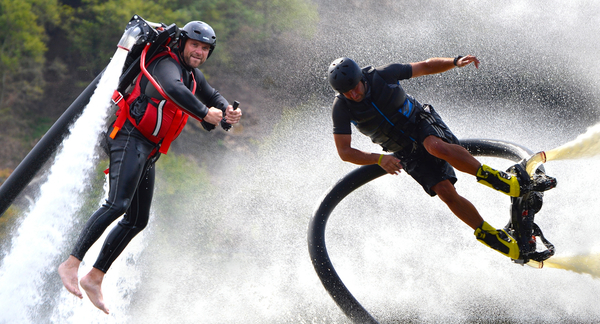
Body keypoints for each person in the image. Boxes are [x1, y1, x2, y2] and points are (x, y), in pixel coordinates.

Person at [58, 20, 242, 314]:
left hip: (149, 150)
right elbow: (171, 89)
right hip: (129, 138)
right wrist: (205, 113)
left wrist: (227, 111)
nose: (199, 52)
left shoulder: (193, 76)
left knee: (137, 219)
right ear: (182, 43)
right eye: (195, 45)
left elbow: (212, 94)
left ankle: (94, 277)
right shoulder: (164, 64)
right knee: (117, 204)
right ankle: (71, 264)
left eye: (205, 49)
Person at [327, 56, 552, 262]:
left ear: (360, 78)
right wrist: (379, 159)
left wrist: (454, 62)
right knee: (445, 191)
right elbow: (345, 151)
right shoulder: (342, 108)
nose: (354, 95)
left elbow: (425, 67)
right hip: (403, 150)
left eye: (355, 88)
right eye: (347, 93)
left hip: (420, 121)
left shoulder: (382, 75)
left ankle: (499, 180)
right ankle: (492, 236)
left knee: (434, 146)